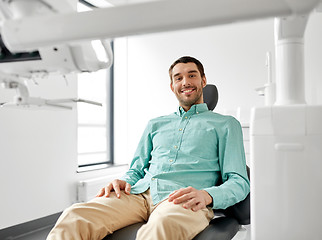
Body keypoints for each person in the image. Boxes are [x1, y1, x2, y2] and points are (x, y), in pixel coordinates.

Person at [47, 56, 250, 240]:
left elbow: (239, 181)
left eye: (192, 75)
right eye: (178, 78)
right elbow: (135, 171)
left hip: (183, 200)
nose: (185, 82)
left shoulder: (226, 124)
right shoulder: (156, 124)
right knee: (75, 216)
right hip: (139, 195)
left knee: (160, 228)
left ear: (203, 81)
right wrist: (123, 181)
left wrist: (207, 195)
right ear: (172, 86)